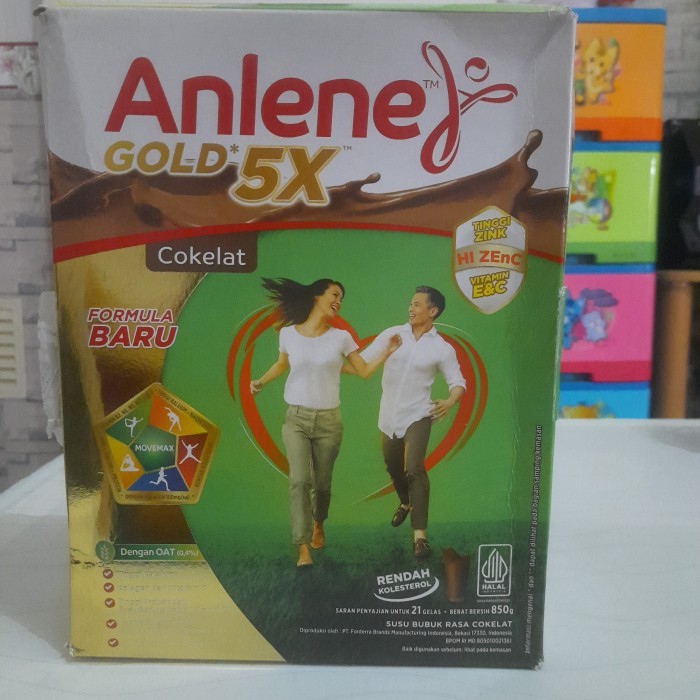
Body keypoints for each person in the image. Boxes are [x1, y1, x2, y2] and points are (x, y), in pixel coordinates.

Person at [250, 278, 401, 568]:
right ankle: (302, 547)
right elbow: (281, 364)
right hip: (296, 418)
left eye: (341, 298)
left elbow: (363, 371)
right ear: (317, 296)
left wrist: (386, 351)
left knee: (322, 485)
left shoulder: (341, 337)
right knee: (299, 481)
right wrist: (260, 381)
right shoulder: (288, 334)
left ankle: (319, 522)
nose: (338, 301)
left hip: (329, 421)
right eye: (334, 294)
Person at [360, 286, 465, 559]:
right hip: (388, 416)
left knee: (414, 468)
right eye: (411, 303)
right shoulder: (392, 335)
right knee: (393, 468)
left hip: (419, 414)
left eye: (417, 304)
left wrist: (450, 401)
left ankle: (420, 537)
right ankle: (406, 503)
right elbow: (362, 360)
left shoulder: (442, 348)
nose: (411, 308)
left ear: (433, 311)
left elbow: (458, 382)